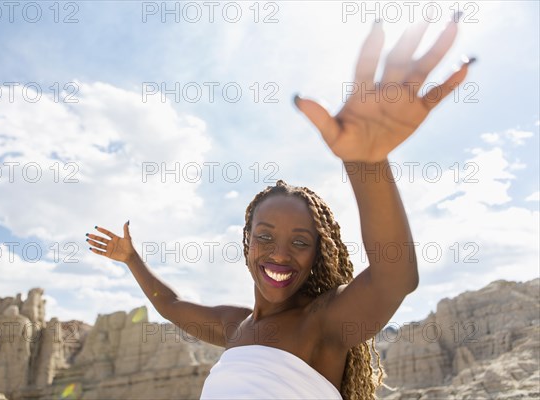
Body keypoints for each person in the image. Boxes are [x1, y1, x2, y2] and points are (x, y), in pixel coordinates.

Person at [86, 15, 474, 400]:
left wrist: (368, 163)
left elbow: (396, 276)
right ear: (247, 243)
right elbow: (169, 305)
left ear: (318, 254)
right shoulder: (234, 326)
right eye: (266, 236)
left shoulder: (322, 322)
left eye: (301, 242)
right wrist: (131, 258)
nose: (280, 254)